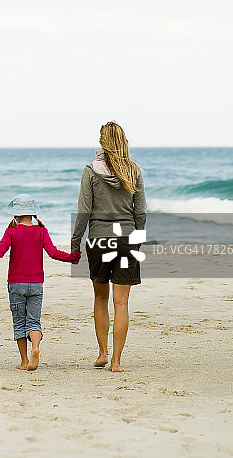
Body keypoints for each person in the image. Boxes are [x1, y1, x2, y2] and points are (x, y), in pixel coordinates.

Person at [0, 194, 80, 371]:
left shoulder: (11, 232)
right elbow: (54, 253)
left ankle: (25, 361)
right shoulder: (41, 231)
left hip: (16, 284)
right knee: (34, 321)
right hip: (36, 284)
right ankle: (36, 347)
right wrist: (73, 258)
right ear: (33, 214)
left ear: (15, 215)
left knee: (19, 322)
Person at [71, 121, 146, 372]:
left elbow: (84, 210)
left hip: (100, 240)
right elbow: (141, 212)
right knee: (122, 303)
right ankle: (116, 361)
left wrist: (75, 241)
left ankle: (102, 353)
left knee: (100, 297)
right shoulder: (134, 171)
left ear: (103, 142)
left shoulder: (90, 171)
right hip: (126, 239)